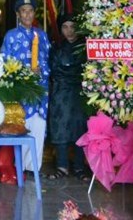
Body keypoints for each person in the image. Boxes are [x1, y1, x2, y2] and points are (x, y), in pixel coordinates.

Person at [0, 0, 51, 174]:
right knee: (23, 126)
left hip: (41, 90)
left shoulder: (42, 36)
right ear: (18, 14)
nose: (27, 15)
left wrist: (41, 71)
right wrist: (24, 72)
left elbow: (48, 60)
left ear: (34, 13)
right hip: (21, 89)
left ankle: (33, 167)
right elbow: (5, 62)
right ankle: (19, 167)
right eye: (23, 11)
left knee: (38, 126)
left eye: (30, 11)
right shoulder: (11, 36)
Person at [46, 13, 89, 181]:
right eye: (65, 27)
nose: (69, 31)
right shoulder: (56, 48)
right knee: (60, 127)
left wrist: (69, 72)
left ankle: (79, 167)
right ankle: (61, 166)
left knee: (80, 127)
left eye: (72, 27)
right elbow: (54, 70)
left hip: (79, 92)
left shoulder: (85, 48)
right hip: (60, 91)